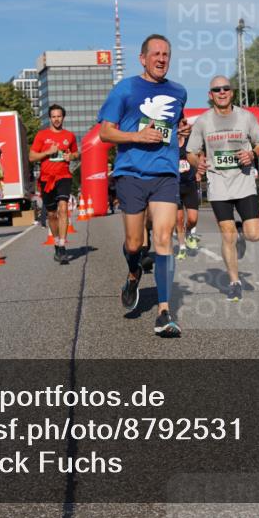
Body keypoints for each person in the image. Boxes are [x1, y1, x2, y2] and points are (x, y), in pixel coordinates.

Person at [97, 34, 188, 337]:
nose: (161, 59)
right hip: (131, 174)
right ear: (143, 58)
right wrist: (137, 137)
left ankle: (164, 312)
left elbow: (175, 123)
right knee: (135, 244)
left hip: (164, 173)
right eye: (156, 54)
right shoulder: (125, 89)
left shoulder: (179, 92)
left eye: (166, 54)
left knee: (164, 238)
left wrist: (181, 129)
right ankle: (134, 271)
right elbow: (106, 134)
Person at [186, 76, 259, 303]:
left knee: (254, 235)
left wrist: (251, 154)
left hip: (243, 182)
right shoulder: (203, 121)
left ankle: (243, 231)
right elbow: (191, 151)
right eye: (216, 90)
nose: (221, 92)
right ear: (211, 95)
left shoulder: (246, 117)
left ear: (231, 93)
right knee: (226, 233)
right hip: (218, 183)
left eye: (225, 89)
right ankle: (234, 281)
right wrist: (197, 163)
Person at [29, 104, 79, 264]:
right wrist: (46, 152)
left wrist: (71, 157)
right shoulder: (42, 135)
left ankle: (63, 246)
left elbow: (76, 153)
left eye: (59, 116)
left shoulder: (69, 136)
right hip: (46, 178)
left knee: (63, 208)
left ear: (63, 117)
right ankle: (57, 242)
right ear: (50, 118)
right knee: (51, 214)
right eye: (54, 116)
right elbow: (31, 157)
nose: (57, 119)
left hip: (63, 176)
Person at [175, 117, 202, 260]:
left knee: (192, 218)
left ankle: (188, 233)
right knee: (178, 219)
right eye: (179, 123)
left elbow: (200, 154)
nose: (182, 126)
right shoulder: (170, 140)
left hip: (190, 183)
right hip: (174, 185)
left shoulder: (191, 140)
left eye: (183, 123)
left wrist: (198, 171)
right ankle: (182, 247)